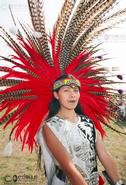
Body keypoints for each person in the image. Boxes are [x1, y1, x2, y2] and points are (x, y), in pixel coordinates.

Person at [37, 74, 124, 185]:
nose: (72, 95)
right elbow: (69, 168)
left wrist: (118, 182)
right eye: (66, 90)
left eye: (76, 90)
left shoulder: (88, 123)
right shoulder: (50, 127)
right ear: (56, 95)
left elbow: (104, 154)